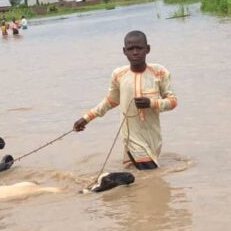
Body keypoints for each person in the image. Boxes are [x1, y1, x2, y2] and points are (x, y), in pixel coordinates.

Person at [73, 30, 178, 170]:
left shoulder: (160, 72)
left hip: (153, 135)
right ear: (124, 51)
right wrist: (86, 118)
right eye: (130, 49)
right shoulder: (119, 75)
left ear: (147, 49)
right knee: (150, 171)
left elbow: (172, 101)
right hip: (131, 136)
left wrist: (152, 103)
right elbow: (111, 101)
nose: (135, 52)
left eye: (139, 48)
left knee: (146, 176)